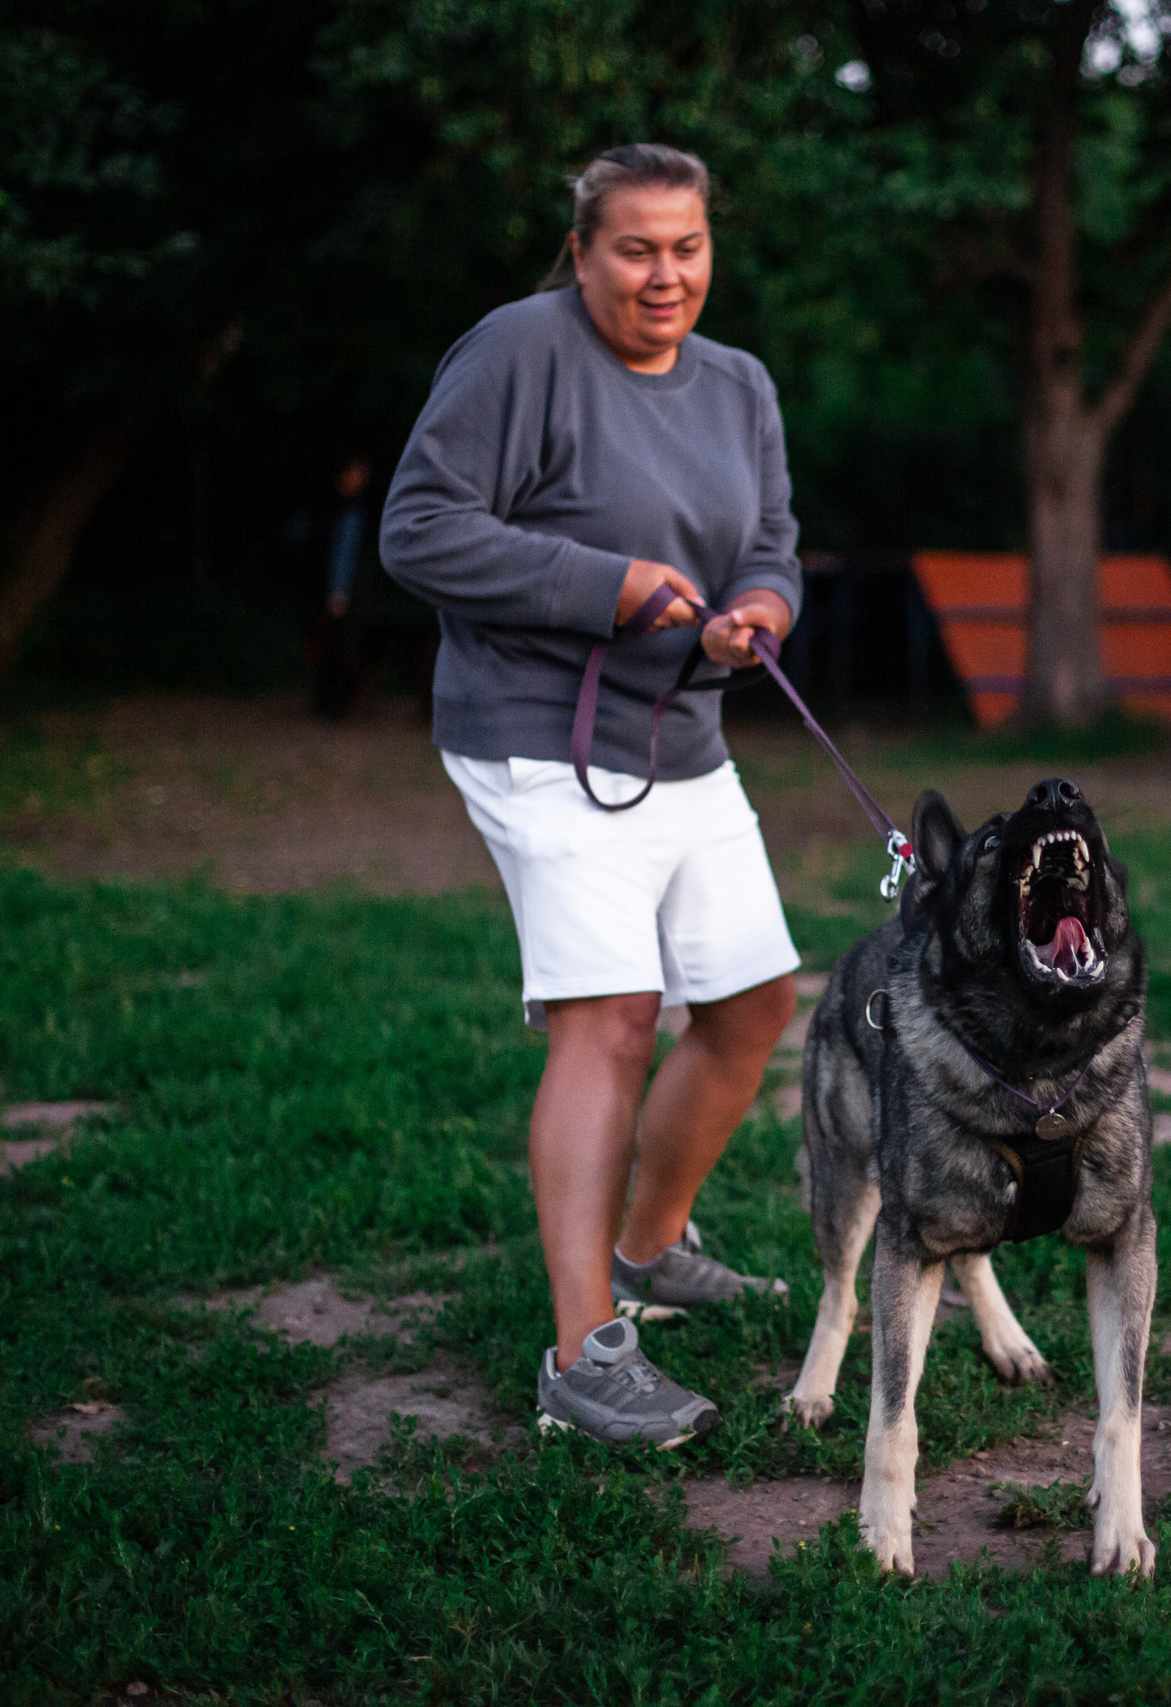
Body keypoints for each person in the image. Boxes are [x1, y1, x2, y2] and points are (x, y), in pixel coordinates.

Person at [380, 143, 805, 1450]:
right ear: (582, 253)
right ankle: (582, 1354)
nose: (664, 273)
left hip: (684, 733)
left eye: (685, 246)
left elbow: (776, 548)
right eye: (634, 247)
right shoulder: (518, 353)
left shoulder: (737, 384)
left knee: (748, 1004)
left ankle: (651, 1245)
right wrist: (604, 584)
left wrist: (756, 614)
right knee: (612, 1015)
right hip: (534, 734)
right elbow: (418, 527)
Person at [310, 456, 373, 718]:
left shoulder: (357, 507)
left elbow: (349, 554)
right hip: (339, 594)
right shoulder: (338, 507)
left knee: (345, 649)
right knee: (334, 649)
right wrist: (337, 591)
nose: (359, 478)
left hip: (351, 594)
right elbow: (340, 553)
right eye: (355, 472)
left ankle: (336, 706)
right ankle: (328, 706)